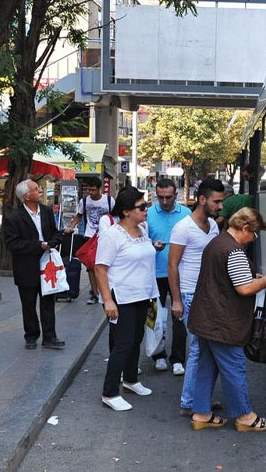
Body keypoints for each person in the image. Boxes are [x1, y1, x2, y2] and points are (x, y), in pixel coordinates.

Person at [188, 207, 266, 432]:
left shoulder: (217, 242)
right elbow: (245, 288)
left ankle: (201, 413)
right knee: (234, 367)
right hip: (223, 323)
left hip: (205, 318)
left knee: (206, 367)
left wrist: (252, 278)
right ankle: (245, 416)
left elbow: (223, 278)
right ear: (245, 229)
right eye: (254, 234)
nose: (253, 239)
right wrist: (265, 281)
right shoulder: (234, 251)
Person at [94, 188, 162, 412]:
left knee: (136, 340)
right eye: (141, 207)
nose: (146, 211)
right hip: (121, 297)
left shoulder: (142, 230)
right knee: (122, 344)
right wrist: (107, 301)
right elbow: (100, 269)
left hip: (143, 294)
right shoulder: (112, 235)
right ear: (125, 211)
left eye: (146, 206)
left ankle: (131, 380)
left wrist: (152, 294)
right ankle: (110, 392)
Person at [168, 178, 225, 417]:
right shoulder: (183, 227)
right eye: (217, 201)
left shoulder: (212, 225)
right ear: (202, 200)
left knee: (204, 349)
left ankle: (197, 398)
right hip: (190, 295)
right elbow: (172, 265)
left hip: (206, 295)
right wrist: (177, 300)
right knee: (198, 349)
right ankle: (190, 401)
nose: (220, 206)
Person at [1, 180, 65, 350]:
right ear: (27, 196)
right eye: (37, 189)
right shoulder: (13, 218)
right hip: (26, 267)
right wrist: (39, 245)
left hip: (47, 265)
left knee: (48, 302)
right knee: (28, 304)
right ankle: (31, 335)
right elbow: (13, 244)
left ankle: (50, 336)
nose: (41, 190)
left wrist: (54, 241)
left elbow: (54, 232)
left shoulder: (46, 211)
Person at [145, 178, 191, 375]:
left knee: (179, 316)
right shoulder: (147, 214)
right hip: (155, 272)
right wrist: (151, 244)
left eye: (168, 197)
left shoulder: (187, 214)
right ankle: (159, 354)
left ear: (176, 195)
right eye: (160, 197)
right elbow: (139, 240)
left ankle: (178, 358)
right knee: (155, 316)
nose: (164, 201)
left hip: (180, 273)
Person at [64, 178, 114, 304]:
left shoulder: (108, 200)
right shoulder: (84, 201)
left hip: (106, 236)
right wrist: (70, 227)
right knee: (91, 266)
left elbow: (115, 216)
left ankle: (106, 291)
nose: (91, 192)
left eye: (93, 190)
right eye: (89, 190)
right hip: (90, 236)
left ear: (99, 189)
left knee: (105, 264)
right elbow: (79, 215)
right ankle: (95, 293)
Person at [216, 164, 259, 230]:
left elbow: (221, 219)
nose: (246, 179)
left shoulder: (226, 202)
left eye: (246, 176)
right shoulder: (249, 197)